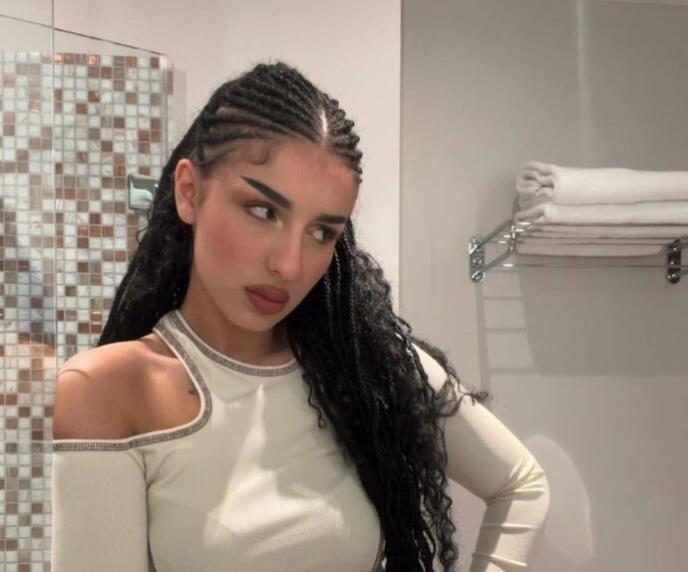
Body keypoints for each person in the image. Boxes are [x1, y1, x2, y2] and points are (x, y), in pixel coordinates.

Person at [50, 61, 550, 572]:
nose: (289, 265)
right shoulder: (105, 391)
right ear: (189, 192)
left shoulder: (370, 368)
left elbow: (522, 485)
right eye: (263, 211)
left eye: (321, 233)